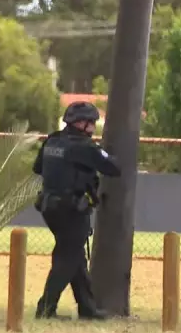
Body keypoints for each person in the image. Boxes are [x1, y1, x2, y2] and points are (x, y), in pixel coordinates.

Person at [32, 101, 121, 321]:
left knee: (75, 257)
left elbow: (37, 168)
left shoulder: (52, 141)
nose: (93, 127)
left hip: (49, 207)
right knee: (67, 258)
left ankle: (88, 308)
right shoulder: (84, 147)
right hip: (71, 209)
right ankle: (45, 308)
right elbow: (113, 168)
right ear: (81, 123)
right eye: (91, 123)